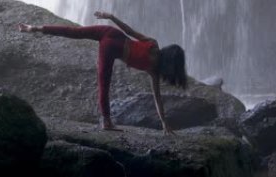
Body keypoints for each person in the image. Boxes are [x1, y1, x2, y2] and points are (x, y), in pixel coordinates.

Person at [18, 11, 187, 134]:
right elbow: (157, 98)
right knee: (103, 83)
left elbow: (129, 32)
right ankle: (106, 121)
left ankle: (35, 28)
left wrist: (112, 17)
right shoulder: (153, 67)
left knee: (74, 33)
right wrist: (164, 123)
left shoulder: (153, 46)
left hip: (112, 36)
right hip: (112, 43)